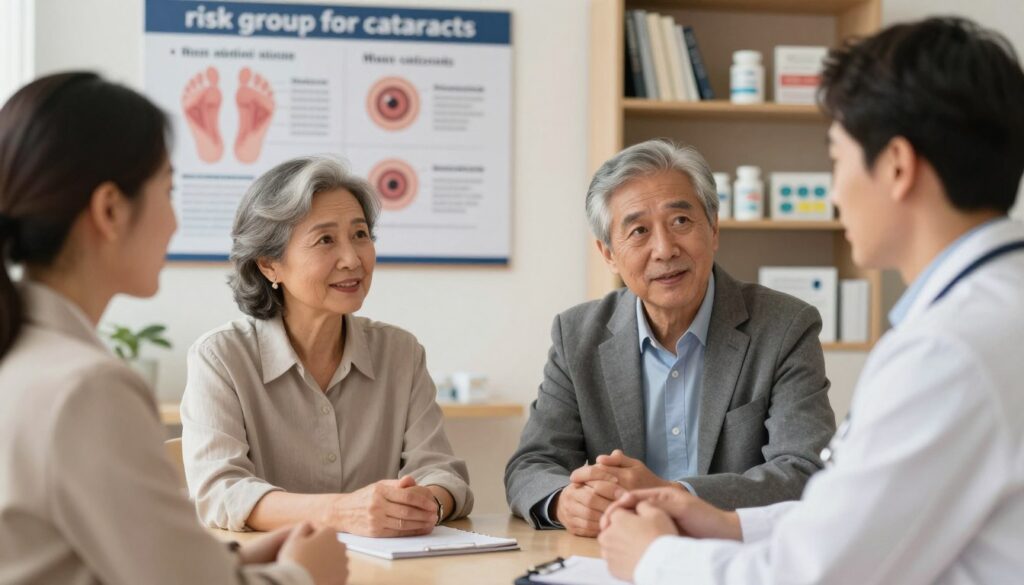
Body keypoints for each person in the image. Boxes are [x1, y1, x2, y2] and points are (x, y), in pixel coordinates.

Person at [599, 16, 1024, 584]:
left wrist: (652, 558)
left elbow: (813, 576)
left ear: (896, 166)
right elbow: (863, 517)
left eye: (837, 158)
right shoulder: (993, 311)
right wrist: (727, 524)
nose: (833, 188)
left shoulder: (949, 352)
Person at [0, 72, 348, 585]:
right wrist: (302, 574)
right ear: (110, 210)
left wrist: (235, 562)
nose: (174, 223)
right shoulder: (87, 389)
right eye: (168, 189)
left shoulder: (25, 358)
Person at [505, 139, 837, 537]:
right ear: (609, 253)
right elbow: (532, 464)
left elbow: (804, 471)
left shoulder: (785, 326)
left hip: (736, 559)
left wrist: (672, 494)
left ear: (713, 228)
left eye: (680, 221)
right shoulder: (577, 335)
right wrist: (564, 501)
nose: (664, 249)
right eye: (639, 231)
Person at [181, 155, 473, 537]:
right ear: (269, 264)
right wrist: (341, 511)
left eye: (360, 235)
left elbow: (442, 473)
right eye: (325, 240)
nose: (352, 259)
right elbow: (222, 492)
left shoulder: (401, 353)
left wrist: (424, 503)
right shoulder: (220, 358)